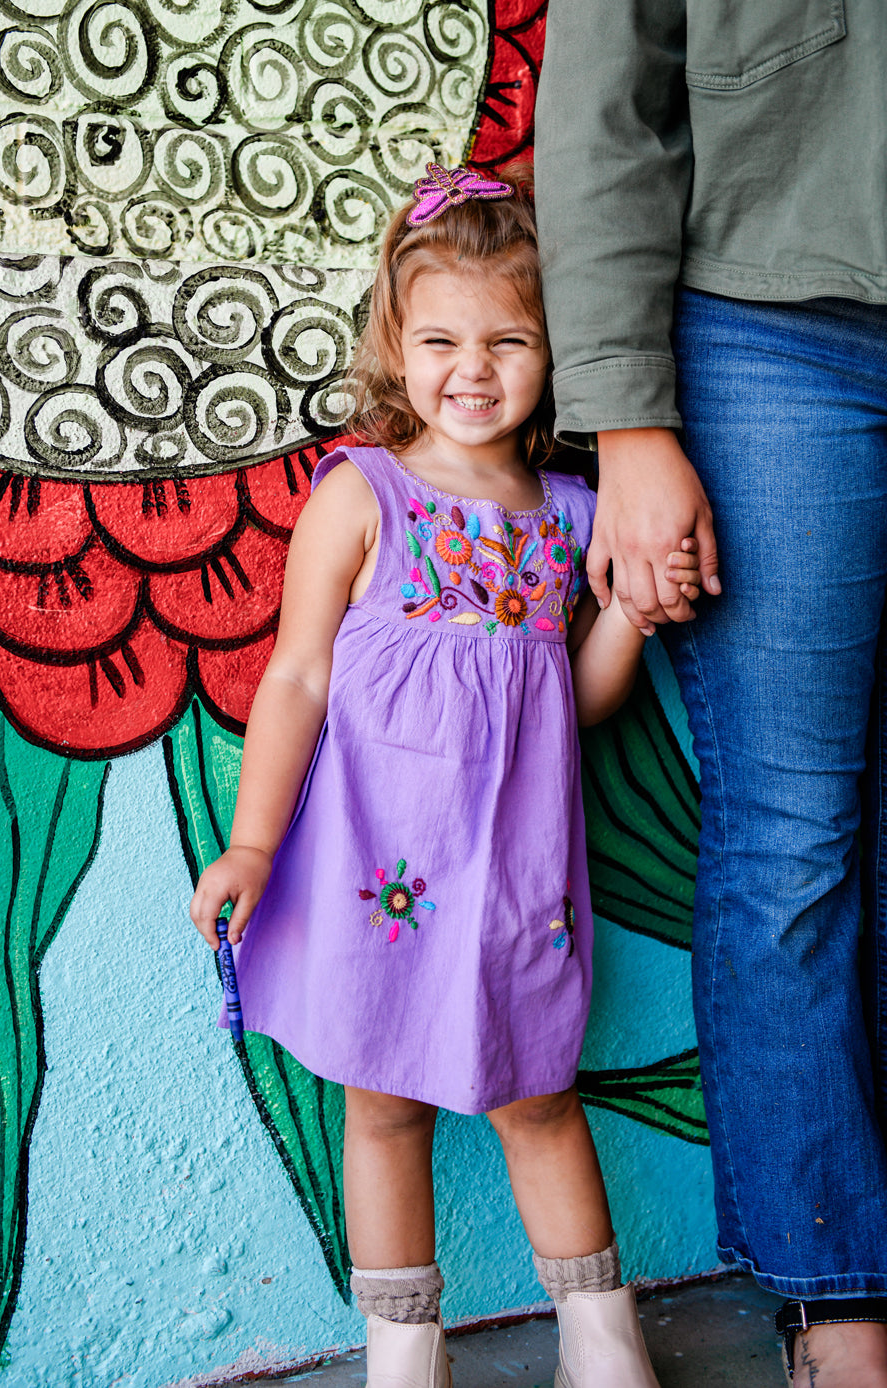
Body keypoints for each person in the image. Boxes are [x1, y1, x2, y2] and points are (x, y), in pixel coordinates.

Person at [190, 163, 700, 1388]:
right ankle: (404, 1354)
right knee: (382, 1107)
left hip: (516, 881)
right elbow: (299, 678)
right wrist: (255, 844)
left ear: (555, 352)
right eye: (440, 340)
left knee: (536, 1098)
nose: (471, 368)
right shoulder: (362, 496)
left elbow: (575, 703)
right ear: (396, 344)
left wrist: (628, 606)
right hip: (375, 878)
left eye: (509, 340)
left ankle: (600, 1336)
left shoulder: (570, 516)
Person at [534, 0, 887, 1384]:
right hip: (765, 333)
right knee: (794, 835)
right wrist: (628, 418)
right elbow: (606, 88)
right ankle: (841, 1300)